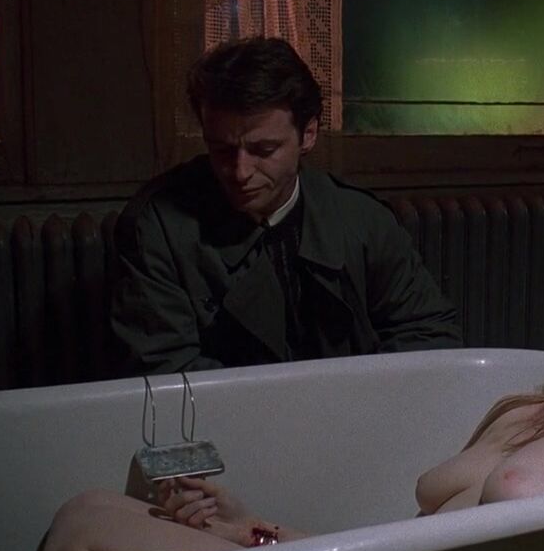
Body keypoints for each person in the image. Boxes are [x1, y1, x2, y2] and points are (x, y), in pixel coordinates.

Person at [34, 269, 544, 551]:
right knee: (91, 508)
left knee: (81, 535)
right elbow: (398, 548)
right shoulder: (527, 411)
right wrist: (250, 527)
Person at [110, 36, 461, 375]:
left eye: (264, 150)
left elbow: (430, 333)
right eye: (221, 150)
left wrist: (353, 394)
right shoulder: (158, 228)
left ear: (308, 135)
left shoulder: (360, 219)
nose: (240, 172)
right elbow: (163, 371)